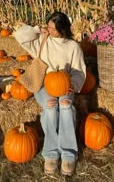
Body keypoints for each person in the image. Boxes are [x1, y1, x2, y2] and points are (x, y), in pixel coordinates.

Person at [13, 11, 86, 176]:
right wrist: (37, 29)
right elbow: (19, 35)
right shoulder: (41, 39)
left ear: (63, 30)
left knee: (66, 105)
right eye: (48, 26)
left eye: (53, 29)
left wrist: (73, 85)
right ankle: (51, 154)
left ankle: (68, 155)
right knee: (51, 106)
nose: (50, 30)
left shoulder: (73, 46)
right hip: (44, 84)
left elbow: (79, 72)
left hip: (65, 84)